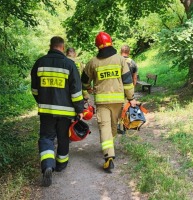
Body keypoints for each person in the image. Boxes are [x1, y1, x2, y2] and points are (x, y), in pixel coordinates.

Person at [30, 36, 84, 187]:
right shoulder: (69, 64)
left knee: (46, 137)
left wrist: (41, 101)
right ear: (63, 46)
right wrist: (79, 109)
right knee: (63, 137)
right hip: (66, 112)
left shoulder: (40, 63)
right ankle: (61, 165)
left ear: (50, 45)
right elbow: (76, 91)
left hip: (46, 110)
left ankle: (47, 165)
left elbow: (34, 89)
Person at [81, 32, 137, 173]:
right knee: (112, 127)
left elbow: (84, 81)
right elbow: (128, 81)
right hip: (118, 101)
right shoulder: (120, 60)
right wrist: (131, 98)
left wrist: (89, 89)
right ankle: (109, 153)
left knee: (105, 127)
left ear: (97, 46)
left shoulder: (93, 62)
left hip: (102, 102)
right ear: (111, 43)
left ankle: (108, 154)